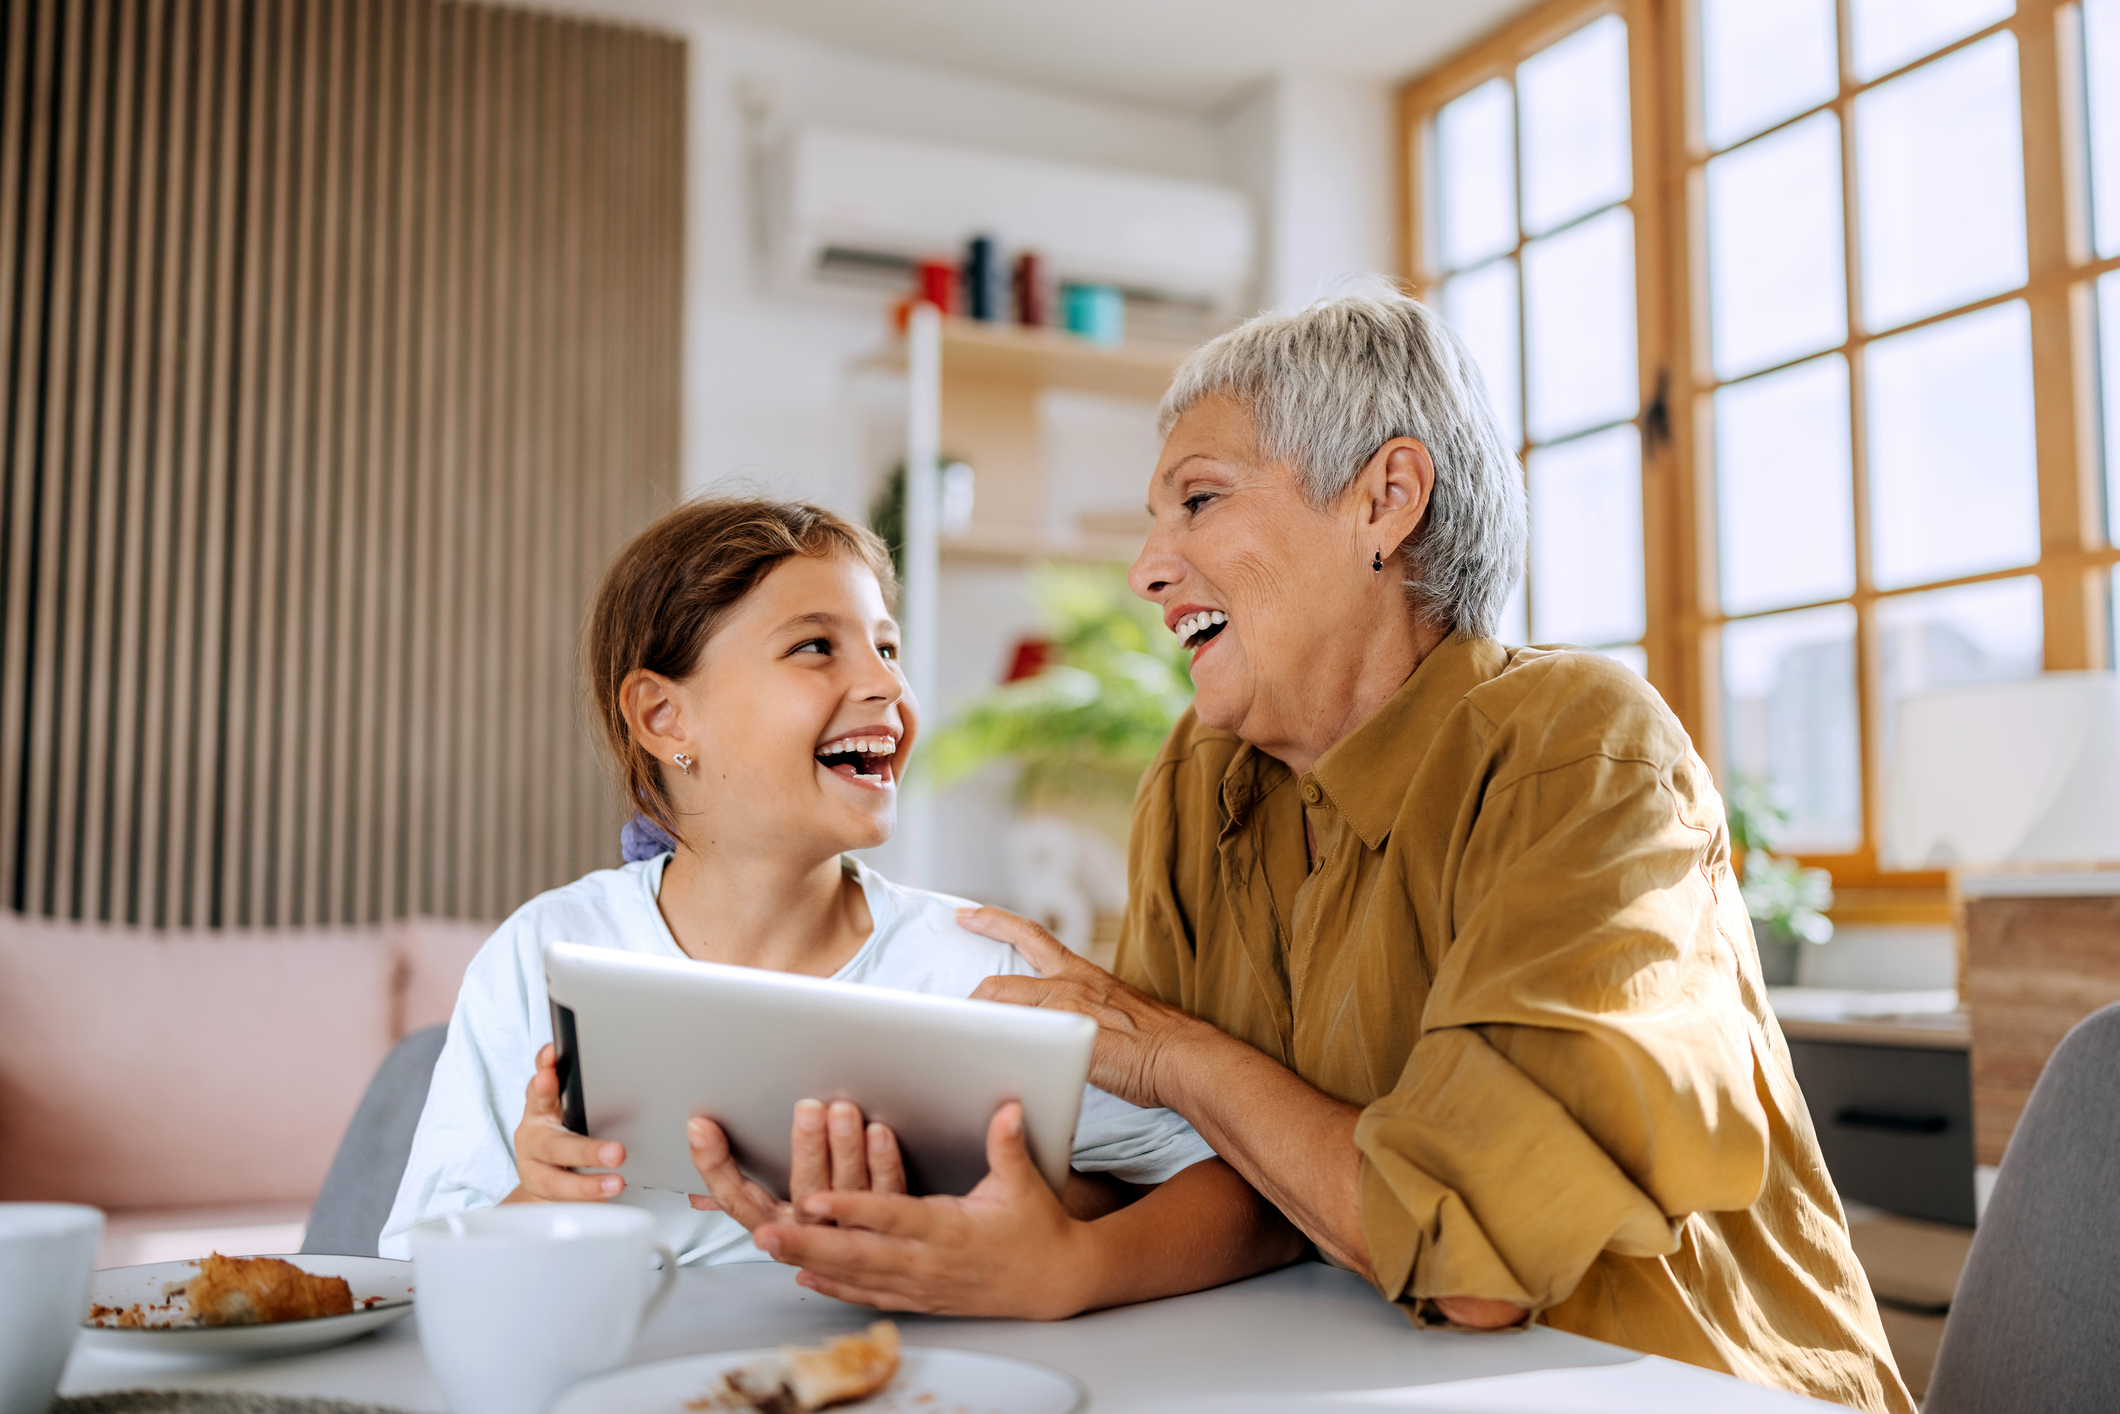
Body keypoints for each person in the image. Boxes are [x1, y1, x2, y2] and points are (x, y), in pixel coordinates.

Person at [752, 295, 1914, 1414]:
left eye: (1196, 500)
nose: (1145, 570)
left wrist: (1170, 1056)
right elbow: (1189, 1170)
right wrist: (932, 1186)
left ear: (1384, 500)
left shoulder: (1579, 750)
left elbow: (1467, 1259)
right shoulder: (1204, 776)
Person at [378, 497, 1301, 1318]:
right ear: (665, 719)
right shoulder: (544, 953)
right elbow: (409, 1266)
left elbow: (1243, 1192)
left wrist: (1051, 1224)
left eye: (888, 647)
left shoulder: (979, 969)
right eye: (817, 645)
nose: (890, 689)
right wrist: (533, 1208)